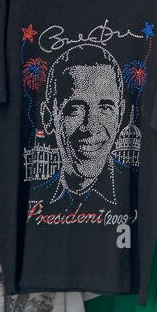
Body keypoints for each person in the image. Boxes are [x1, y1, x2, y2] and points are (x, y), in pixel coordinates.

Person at [40, 42, 128, 205]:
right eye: (76, 109)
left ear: (120, 114)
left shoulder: (143, 190)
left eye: (105, 108)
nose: (92, 126)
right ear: (48, 117)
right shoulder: (35, 194)